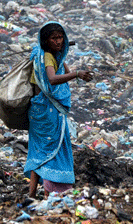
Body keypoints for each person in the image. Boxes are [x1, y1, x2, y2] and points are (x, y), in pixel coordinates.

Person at [24, 22, 93, 199]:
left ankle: (31, 196)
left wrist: (76, 73)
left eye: (60, 37)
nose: (58, 41)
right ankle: (49, 196)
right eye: (54, 38)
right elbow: (53, 79)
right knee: (52, 151)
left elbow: (64, 71)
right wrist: (77, 74)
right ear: (45, 41)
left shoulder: (49, 55)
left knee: (40, 151)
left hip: (39, 110)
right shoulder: (47, 56)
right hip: (46, 111)